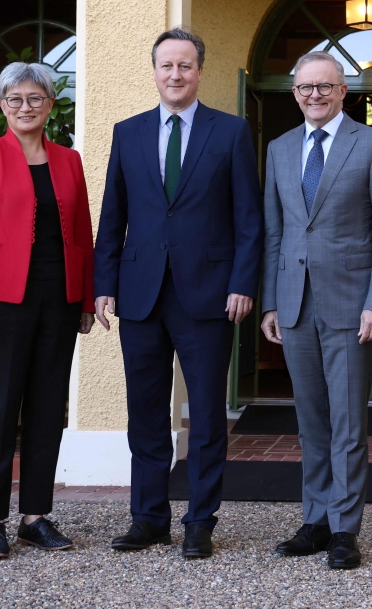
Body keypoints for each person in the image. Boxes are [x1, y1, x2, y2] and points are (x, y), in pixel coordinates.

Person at [93, 28, 263, 558]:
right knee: (145, 412)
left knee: (208, 415)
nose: (175, 74)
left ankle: (199, 520)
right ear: (154, 71)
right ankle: (148, 518)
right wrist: (104, 285)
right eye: (166, 66)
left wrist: (242, 283)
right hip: (140, 294)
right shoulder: (129, 132)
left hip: (209, 295)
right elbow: (113, 216)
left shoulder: (231, 132)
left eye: (185, 66)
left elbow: (249, 221)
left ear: (199, 71)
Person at [261, 51, 372, 570]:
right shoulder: (279, 149)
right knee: (311, 421)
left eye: (325, 86)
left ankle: (345, 528)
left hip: (351, 305)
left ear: (344, 91)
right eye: (305, 88)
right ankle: (315, 519)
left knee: (347, 423)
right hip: (294, 304)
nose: (315, 95)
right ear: (295, 93)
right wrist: (271, 302)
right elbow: (276, 232)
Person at [0, 62, 95, 559]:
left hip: (57, 301)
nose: (25, 107)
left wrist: (84, 298)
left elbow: (82, 235)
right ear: (1, 106)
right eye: (14, 99)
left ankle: (36, 516)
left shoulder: (68, 161)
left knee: (45, 409)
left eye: (35, 98)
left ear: (51, 105)